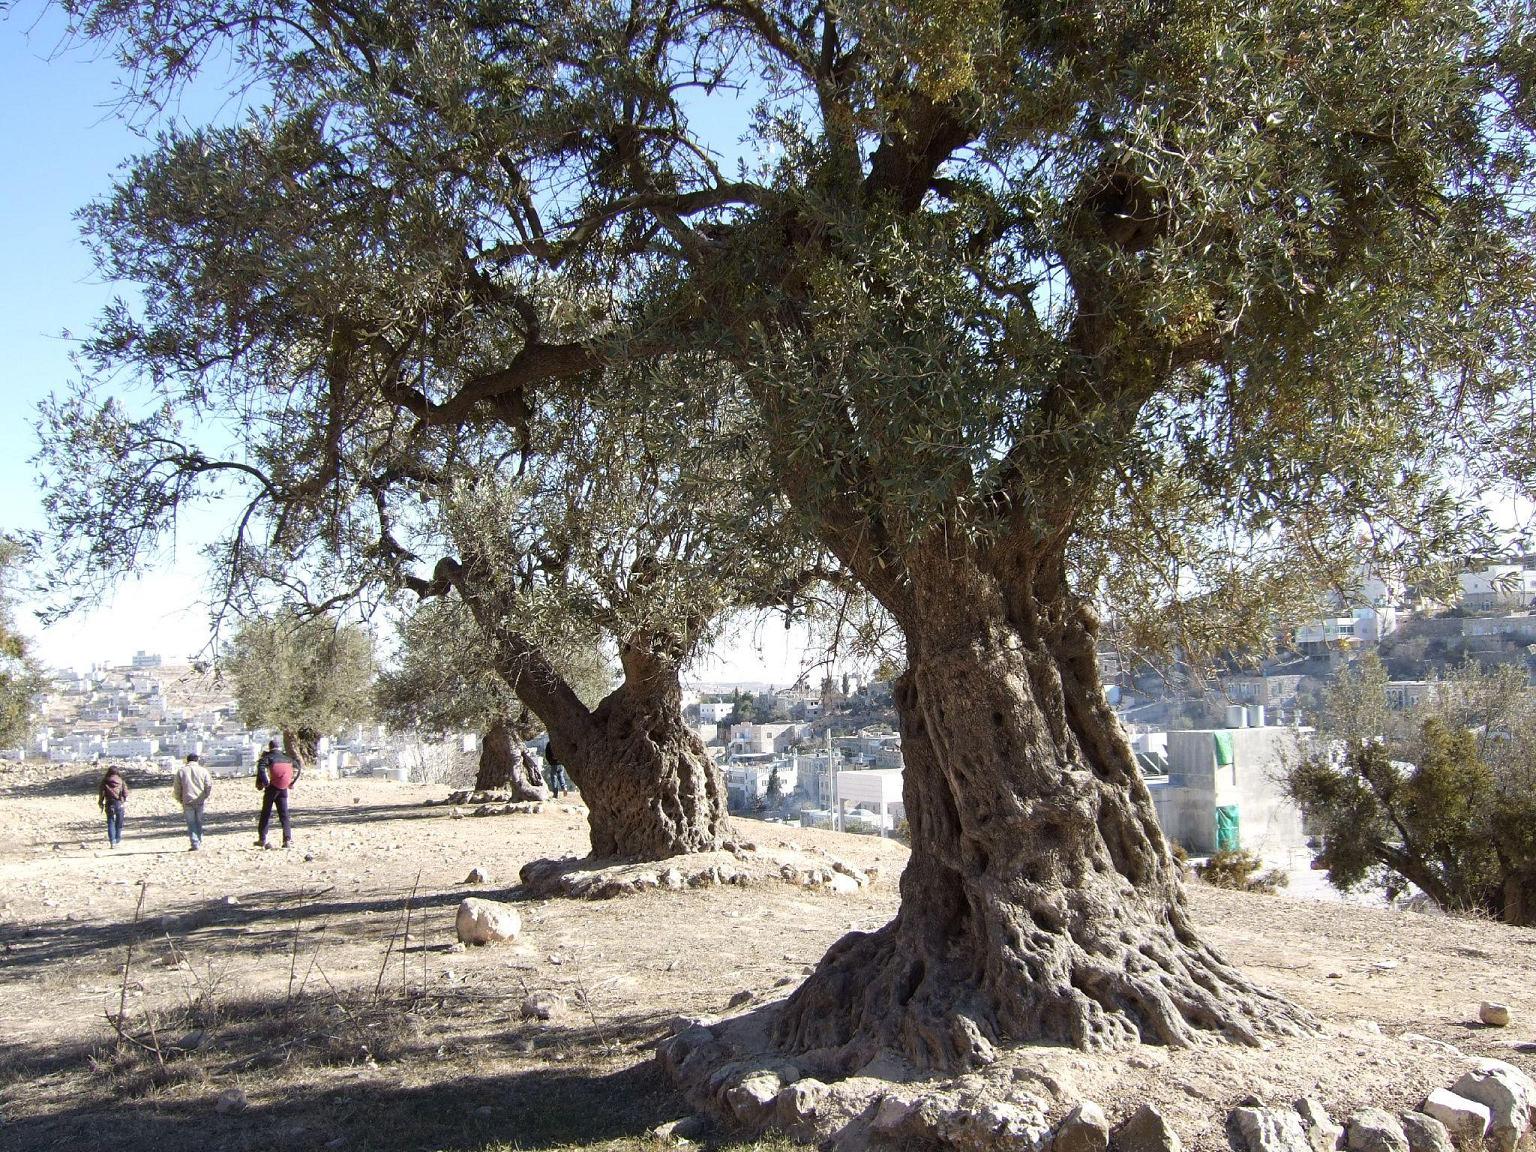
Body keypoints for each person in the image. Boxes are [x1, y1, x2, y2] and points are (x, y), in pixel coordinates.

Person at [256, 739, 300, 849]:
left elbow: (261, 768)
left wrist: (265, 783)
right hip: (283, 788)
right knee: (284, 815)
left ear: (269, 747)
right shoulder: (287, 758)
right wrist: (291, 782)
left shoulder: (267, 757)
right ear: (279, 747)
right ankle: (287, 839)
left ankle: (262, 838)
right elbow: (298, 768)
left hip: (271, 788)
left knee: (266, 813)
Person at [172, 753, 214, 851]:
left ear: (187, 760)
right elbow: (208, 785)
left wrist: (179, 799)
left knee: (191, 823)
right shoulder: (203, 771)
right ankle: (199, 839)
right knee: (199, 821)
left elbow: (177, 788)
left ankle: (195, 843)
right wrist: (205, 796)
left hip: (187, 800)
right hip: (199, 800)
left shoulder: (181, 771)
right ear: (197, 760)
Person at [97, 765, 129, 849]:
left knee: (110, 822)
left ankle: (112, 841)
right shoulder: (121, 781)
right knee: (119, 822)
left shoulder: (105, 781)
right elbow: (125, 793)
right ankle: (117, 838)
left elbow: (101, 793)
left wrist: (100, 802)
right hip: (119, 803)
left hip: (109, 803)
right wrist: (124, 799)